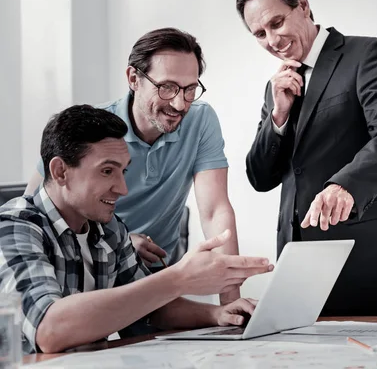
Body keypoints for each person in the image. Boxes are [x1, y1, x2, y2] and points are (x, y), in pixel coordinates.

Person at [0, 105, 272, 354]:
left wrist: (218, 314)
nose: (122, 189)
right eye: (107, 171)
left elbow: (150, 308)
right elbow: (49, 330)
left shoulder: (110, 229)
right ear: (60, 171)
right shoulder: (14, 227)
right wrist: (180, 278)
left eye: (123, 171)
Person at [236, 0, 377, 316]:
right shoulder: (276, 87)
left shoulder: (366, 54)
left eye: (277, 22)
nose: (273, 40)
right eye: (260, 33)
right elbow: (260, 178)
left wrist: (344, 185)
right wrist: (278, 116)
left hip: (363, 251)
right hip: (298, 260)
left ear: (302, 4)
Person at [26, 28, 241, 304]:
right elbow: (37, 207)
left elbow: (215, 212)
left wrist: (231, 301)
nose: (179, 103)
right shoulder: (92, 129)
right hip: (85, 272)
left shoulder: (201, 120)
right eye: (167, 87)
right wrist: (121, 245)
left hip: (154, 275)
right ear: (133, 79)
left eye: (189, 89)